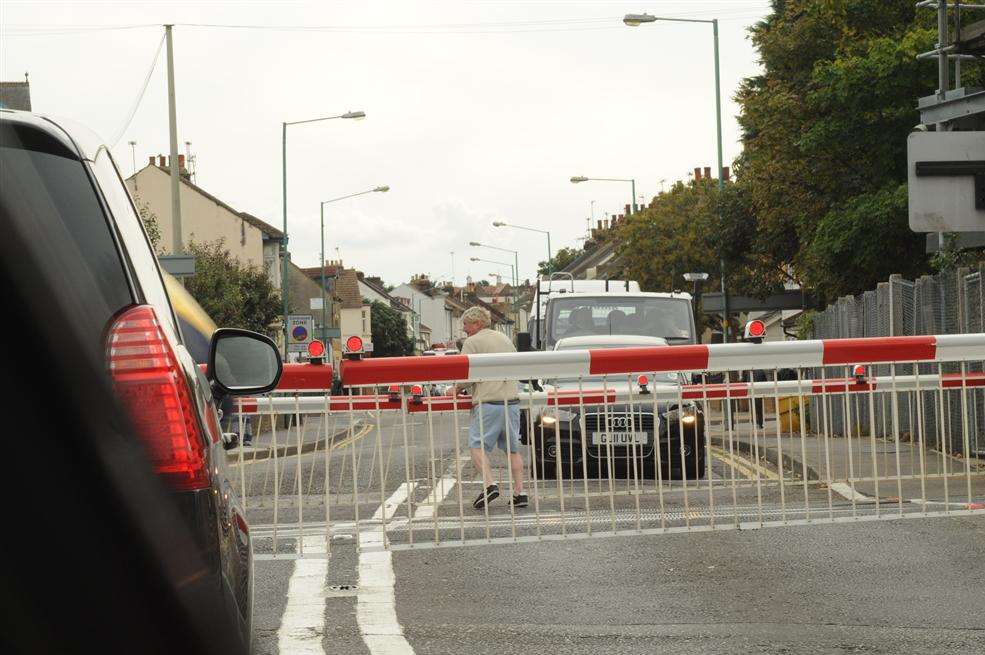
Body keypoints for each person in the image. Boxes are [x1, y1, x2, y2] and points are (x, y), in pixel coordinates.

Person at [455, 306, 527, 510]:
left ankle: (489, 485)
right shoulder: (504, 338)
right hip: (511, 401)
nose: (464, 330)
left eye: (466, 325)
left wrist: (456, 389)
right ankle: (520, 493)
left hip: (488, 402)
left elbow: (465, 374)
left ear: (477, 323)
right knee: (513, 449)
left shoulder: (472, 342)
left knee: (476, 447)